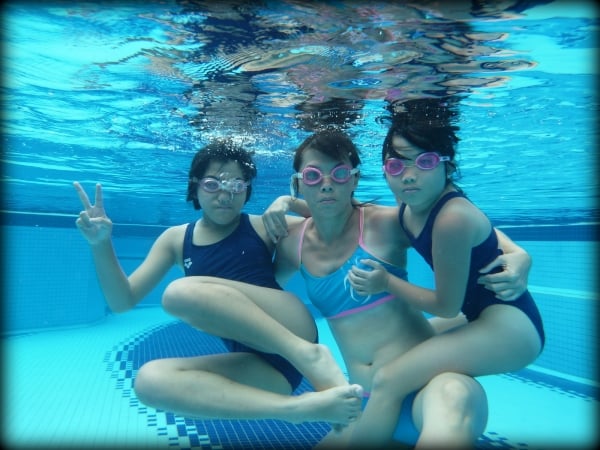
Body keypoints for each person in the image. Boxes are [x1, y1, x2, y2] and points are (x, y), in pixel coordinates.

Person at [262, 128, 533, 448]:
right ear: (297, 183)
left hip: (432, 389)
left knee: (453, 397)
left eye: (339, 173)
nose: (326, 184)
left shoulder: (386, 223)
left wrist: (518, 253)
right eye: (312, 175)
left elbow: (462, 225)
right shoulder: (292, 244)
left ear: (354, 179)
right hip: (366, 403)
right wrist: (283, 204)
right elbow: (263, 292)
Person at [73, 139, 363, 428]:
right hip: (268, 368)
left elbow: (338, 217)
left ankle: (309, 355)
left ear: (247, 189)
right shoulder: (176, 239)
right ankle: (296, 410)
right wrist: (100, 245)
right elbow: (122, 301)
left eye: (236, 185)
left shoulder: (264, 225)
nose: (225, 195)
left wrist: (287, 202)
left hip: (292, 328)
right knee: (149, 382)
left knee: (179, 293)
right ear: (195, 186)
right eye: (213, 184)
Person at [343, 110, 545, 447]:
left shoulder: (450, 218)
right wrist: (290, 203)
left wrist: (386, 282)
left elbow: (446, 306)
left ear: (445, 164)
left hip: (511, 328)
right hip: (481, 316)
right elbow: (487, 232)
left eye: (425, 162)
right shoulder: (411, 199)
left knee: (389, 379)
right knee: (405, 350)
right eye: (396, 165)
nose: (409, 176)